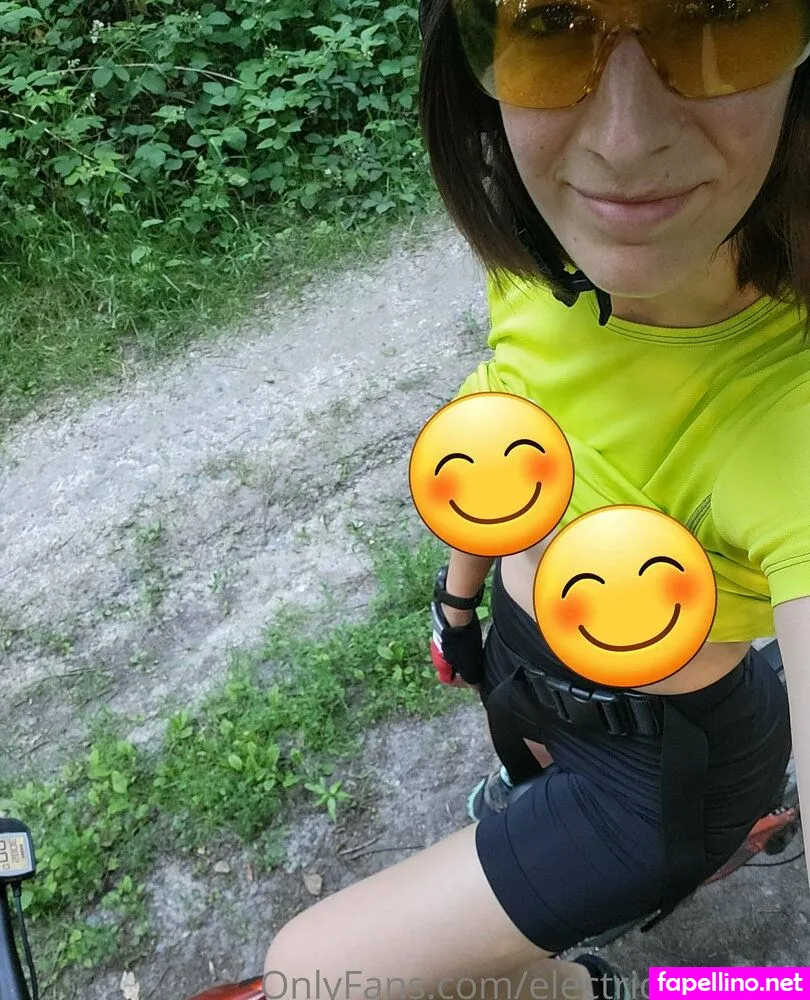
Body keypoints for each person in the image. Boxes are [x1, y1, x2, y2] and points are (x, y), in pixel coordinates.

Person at [263, 1, 810, 996]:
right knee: (511, 813)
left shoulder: (794, 412)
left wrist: (751, 990)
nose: (625, 141)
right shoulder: (552, 256)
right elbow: (507, 431)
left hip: (659, 779)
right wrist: (457, 605)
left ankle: (607, 987)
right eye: (551, 19)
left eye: (721, 12)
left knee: (308, 974)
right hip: (523, 667)